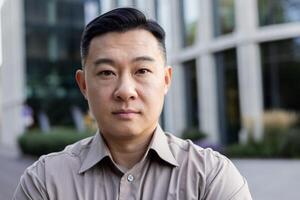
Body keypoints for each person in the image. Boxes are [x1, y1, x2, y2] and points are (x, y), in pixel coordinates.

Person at [13, 7, 252, 200]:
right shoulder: (45, 182)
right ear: (84, 85)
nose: (125, 91)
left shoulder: (210, 177)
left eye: (142, 70)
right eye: (107, 72)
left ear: (166, 80)